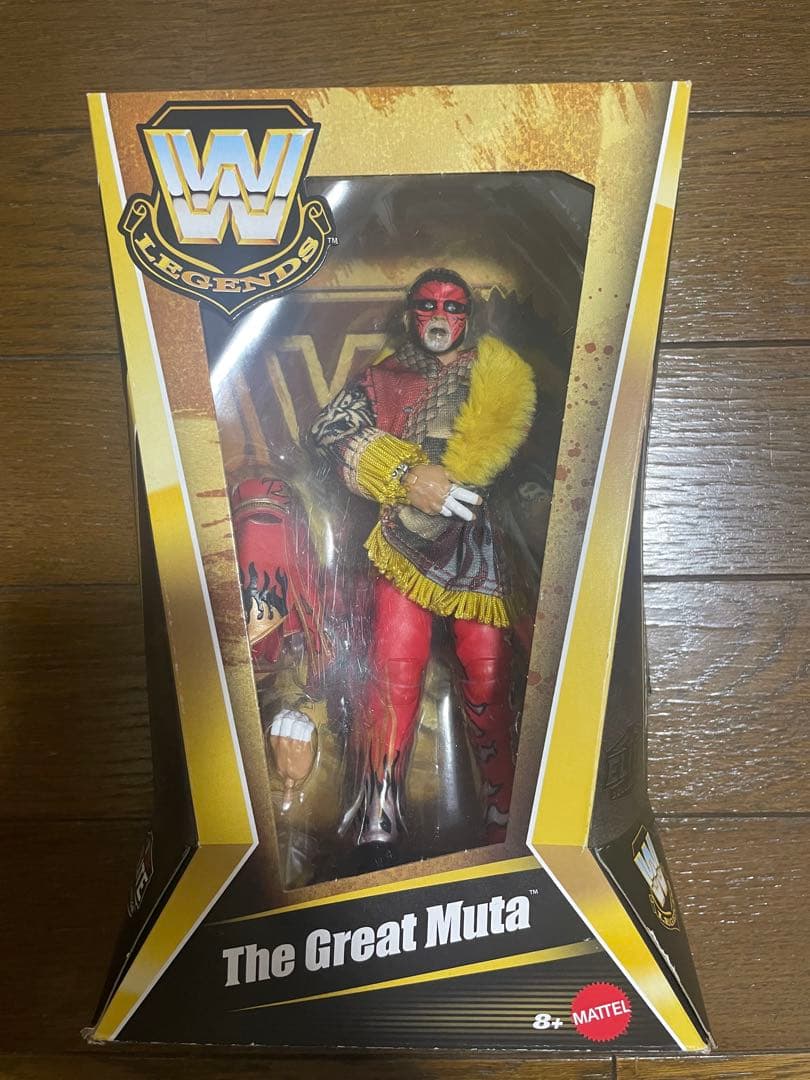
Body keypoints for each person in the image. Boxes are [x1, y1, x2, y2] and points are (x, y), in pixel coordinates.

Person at [310, 268, 536, 854]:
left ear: (468, 316)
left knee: (487, 670)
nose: (439, 316)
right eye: (428, 304)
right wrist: (403, 474)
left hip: (480, 541)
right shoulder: (382, 376)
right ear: (411, 312)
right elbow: (329, 431)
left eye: (452, 306)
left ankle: (505, 808)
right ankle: (376, 807)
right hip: (404, 538)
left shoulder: (498, 376)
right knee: (394, 664)